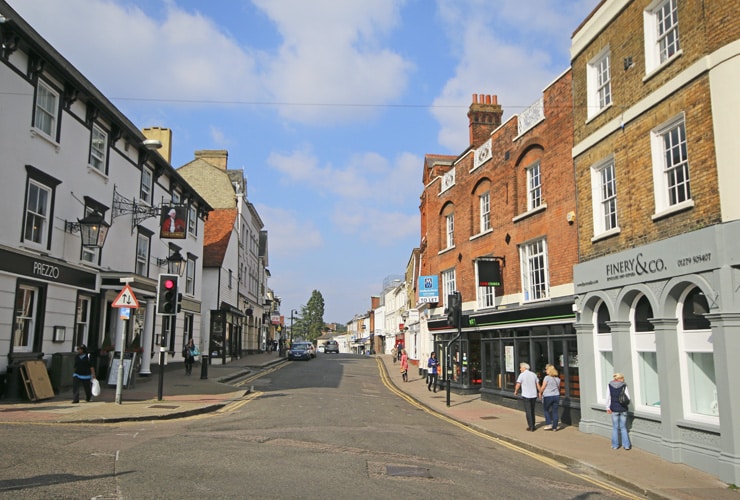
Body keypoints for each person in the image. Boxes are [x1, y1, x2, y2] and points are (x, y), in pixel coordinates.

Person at [606, 372, 631, 450]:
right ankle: (626, 445)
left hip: (614, 409)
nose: (623, 379)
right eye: (622, 378)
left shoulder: (610, 385)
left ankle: (615, 445)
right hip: (623, 409)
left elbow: (607, 397)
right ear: (620, 378)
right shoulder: (624, 385)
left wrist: (607, 408)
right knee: (623, 427)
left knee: (615, 428)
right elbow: (628, 398)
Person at [513, 362, 540, 431]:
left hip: (526, 395)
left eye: (521, 367)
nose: (520, 369)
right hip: (534, 395)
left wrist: (516, 391)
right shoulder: (533, 374)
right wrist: (540, 392)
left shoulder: (522, 375)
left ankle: (531, 426)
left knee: (528, 411)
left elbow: (518, 384)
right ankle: (533, 425)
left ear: (524, 368)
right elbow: (537, 384)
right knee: (532, 410)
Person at [539, 364, 561, 431]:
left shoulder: (547, 378)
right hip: (556, 396)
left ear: (550, 370)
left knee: (546, 410)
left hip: (548, 396)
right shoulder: (558, 379)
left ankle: (549, 424)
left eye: (547, 370)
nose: (546, 371)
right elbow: (558, 388)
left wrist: (540, 392)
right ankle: (555, 427)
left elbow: (543, 387)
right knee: (555, 411)